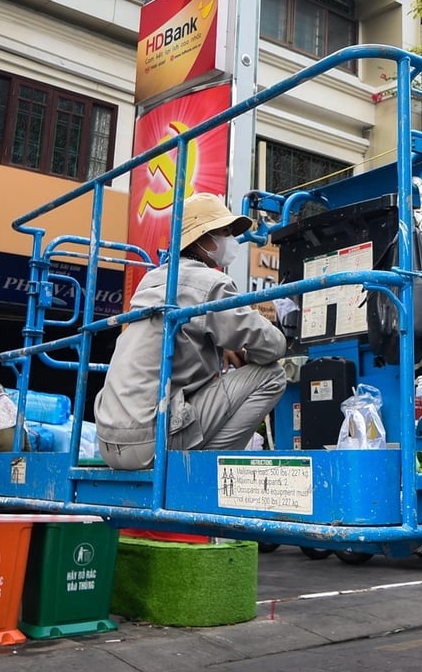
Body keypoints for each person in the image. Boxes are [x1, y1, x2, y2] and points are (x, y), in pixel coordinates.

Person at [96, 193, 286, 470]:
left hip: (110, 441)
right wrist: (248, 353)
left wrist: (224, 346)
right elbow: (273, 345)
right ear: (201, 239)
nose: (230, 241)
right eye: (223, 232)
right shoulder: (209, 281)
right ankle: (208, 469)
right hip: (150, 440)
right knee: (272, 374)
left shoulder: (153, 279)